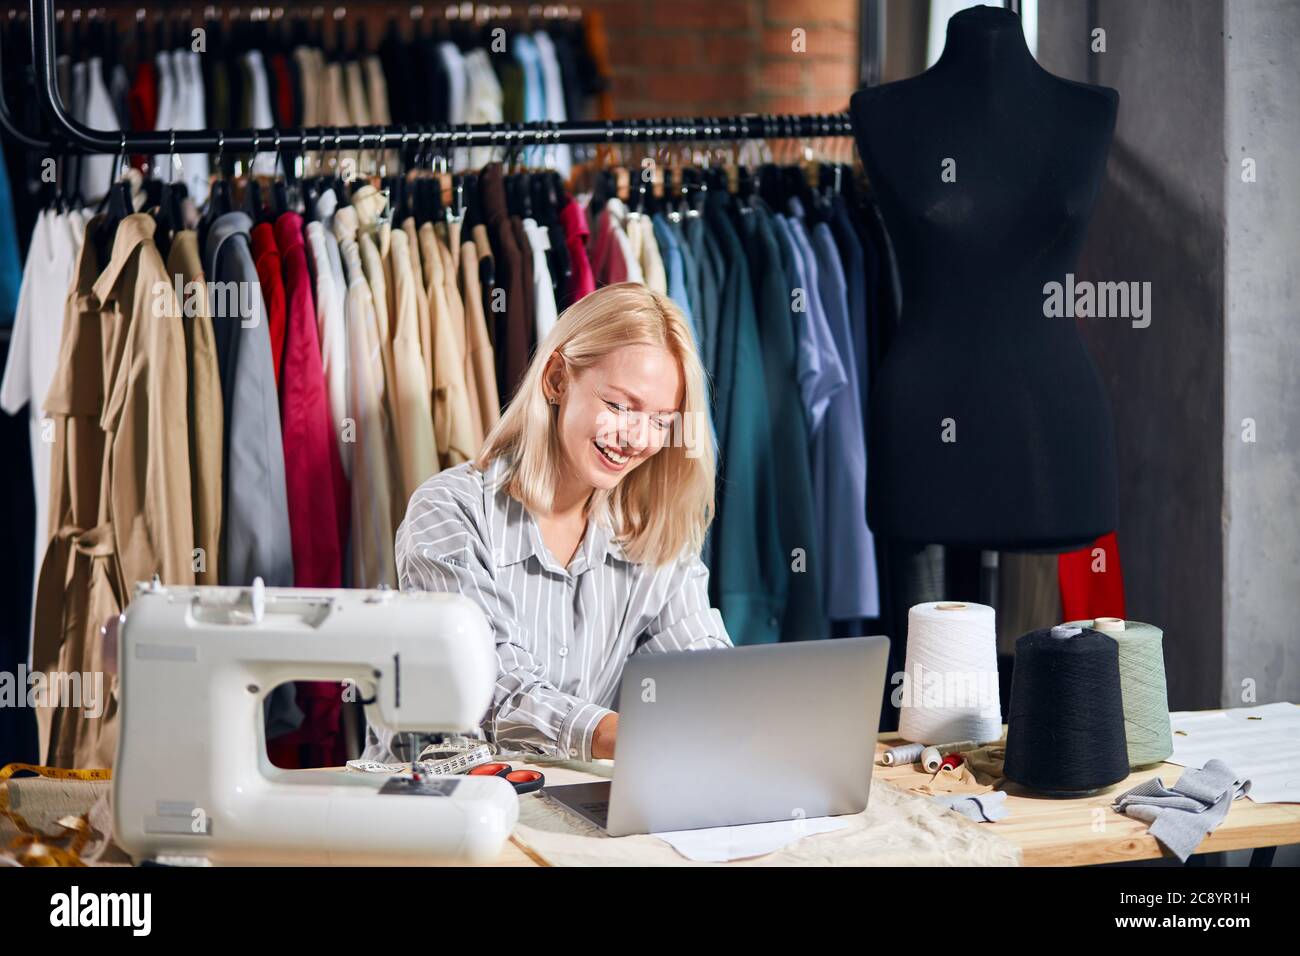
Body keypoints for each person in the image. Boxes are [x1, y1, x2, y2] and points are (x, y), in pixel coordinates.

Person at [363, 283, 731, 764]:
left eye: (661, 420)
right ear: (557, 379)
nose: (637, 439)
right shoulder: (450, 511)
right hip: (439, 809)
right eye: (620, 406)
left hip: (563, 797)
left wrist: (729, 705)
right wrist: (624, 733)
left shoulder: (652, 526)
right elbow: (492, 692)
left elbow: (698, 657)